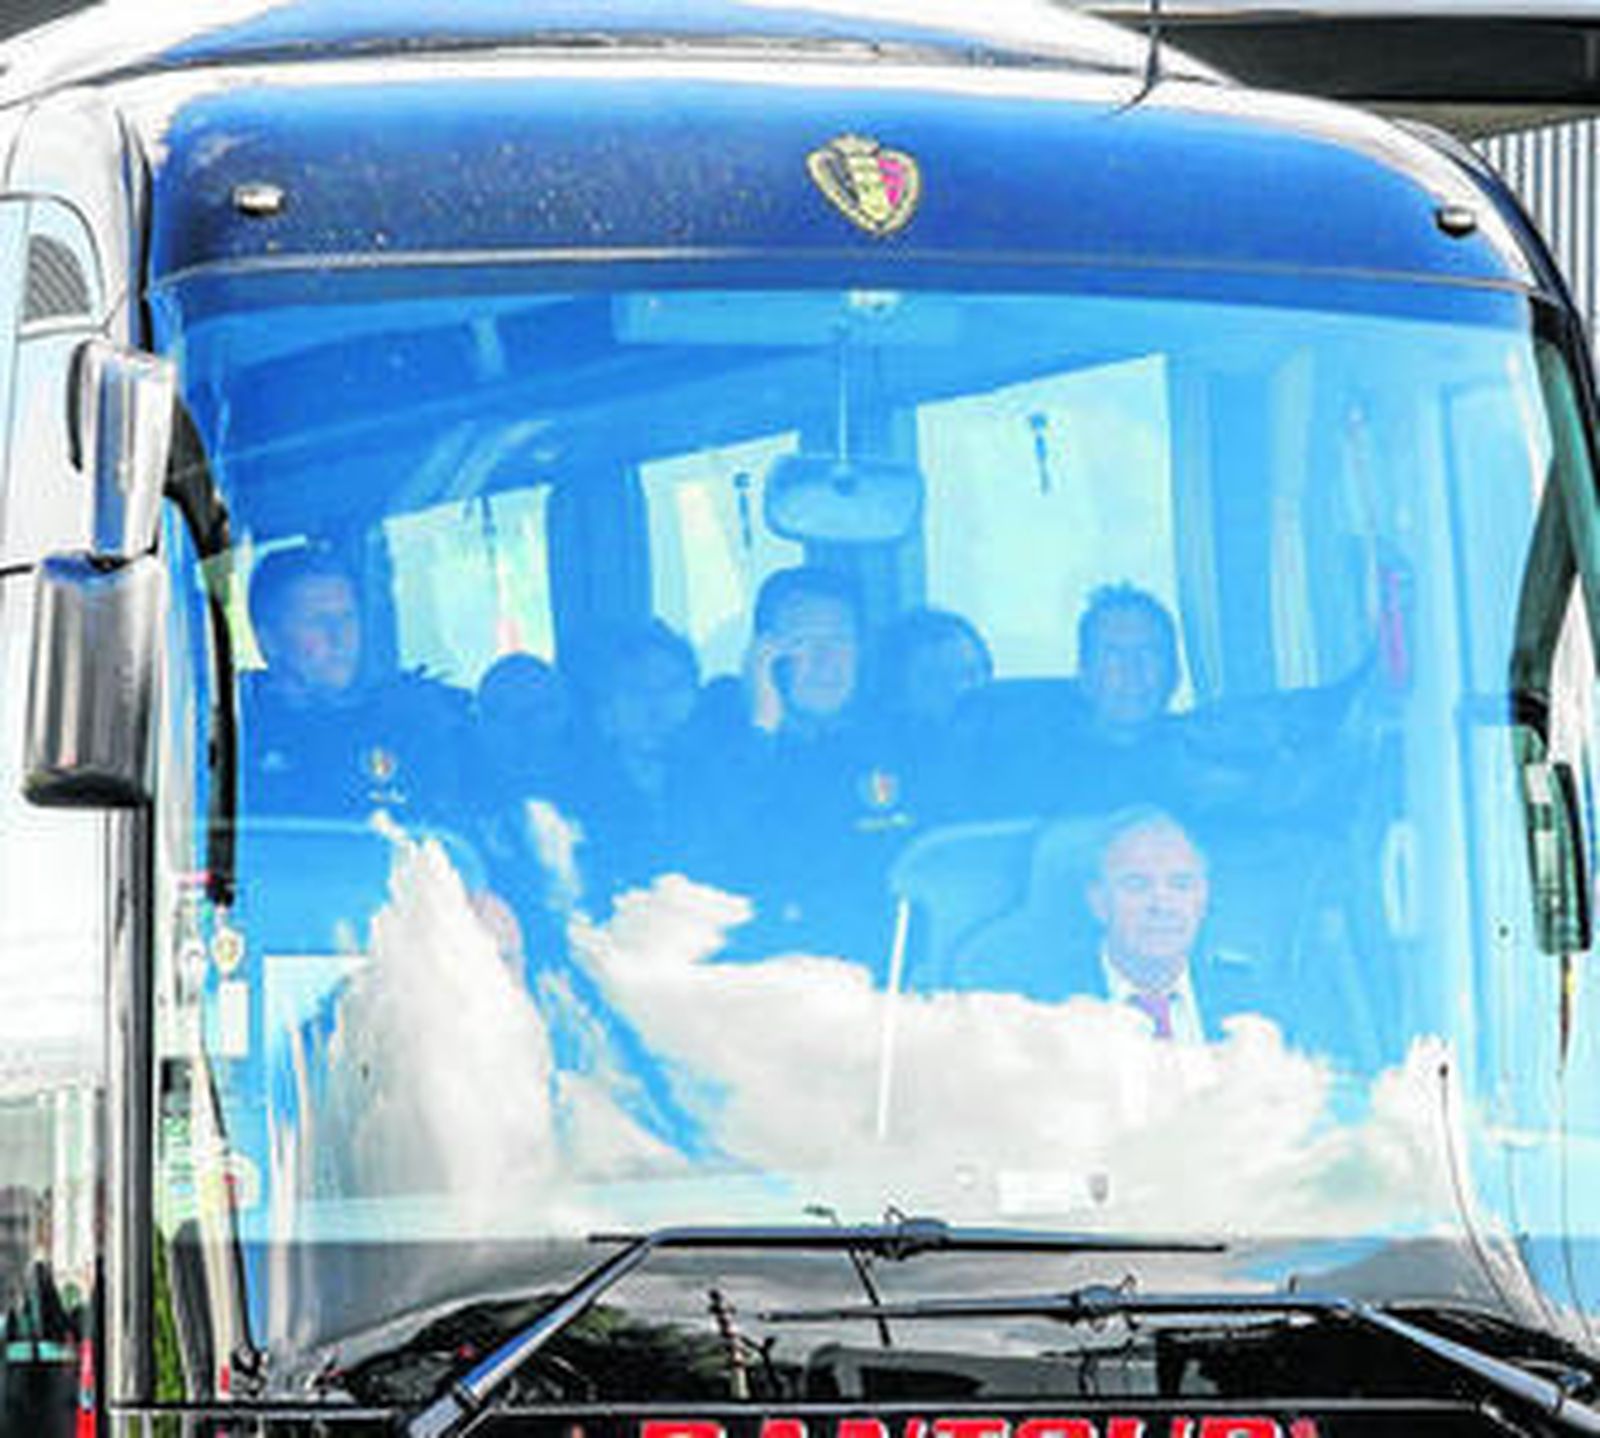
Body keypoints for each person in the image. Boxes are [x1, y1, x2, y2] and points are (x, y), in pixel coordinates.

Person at [700, 566, 913, 963]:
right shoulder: (717, 745)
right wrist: (763, 726)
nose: (825, 660)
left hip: (897, 971)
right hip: (770, 976)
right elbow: (718, 855)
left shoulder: (900, 741)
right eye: (802, 642)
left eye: (840, 640)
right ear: (765, 654)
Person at [242, 545, 467, 820]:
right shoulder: (239, 734)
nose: (340, 637)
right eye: (318, 621)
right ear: (269, 641)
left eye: (348, 618)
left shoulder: (409, 719)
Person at [567, 620, 703, 907]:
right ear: (604, 710)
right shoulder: (576, 802)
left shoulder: (725, 784)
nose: (656, 706)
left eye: (672, 688)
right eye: (635, 690)